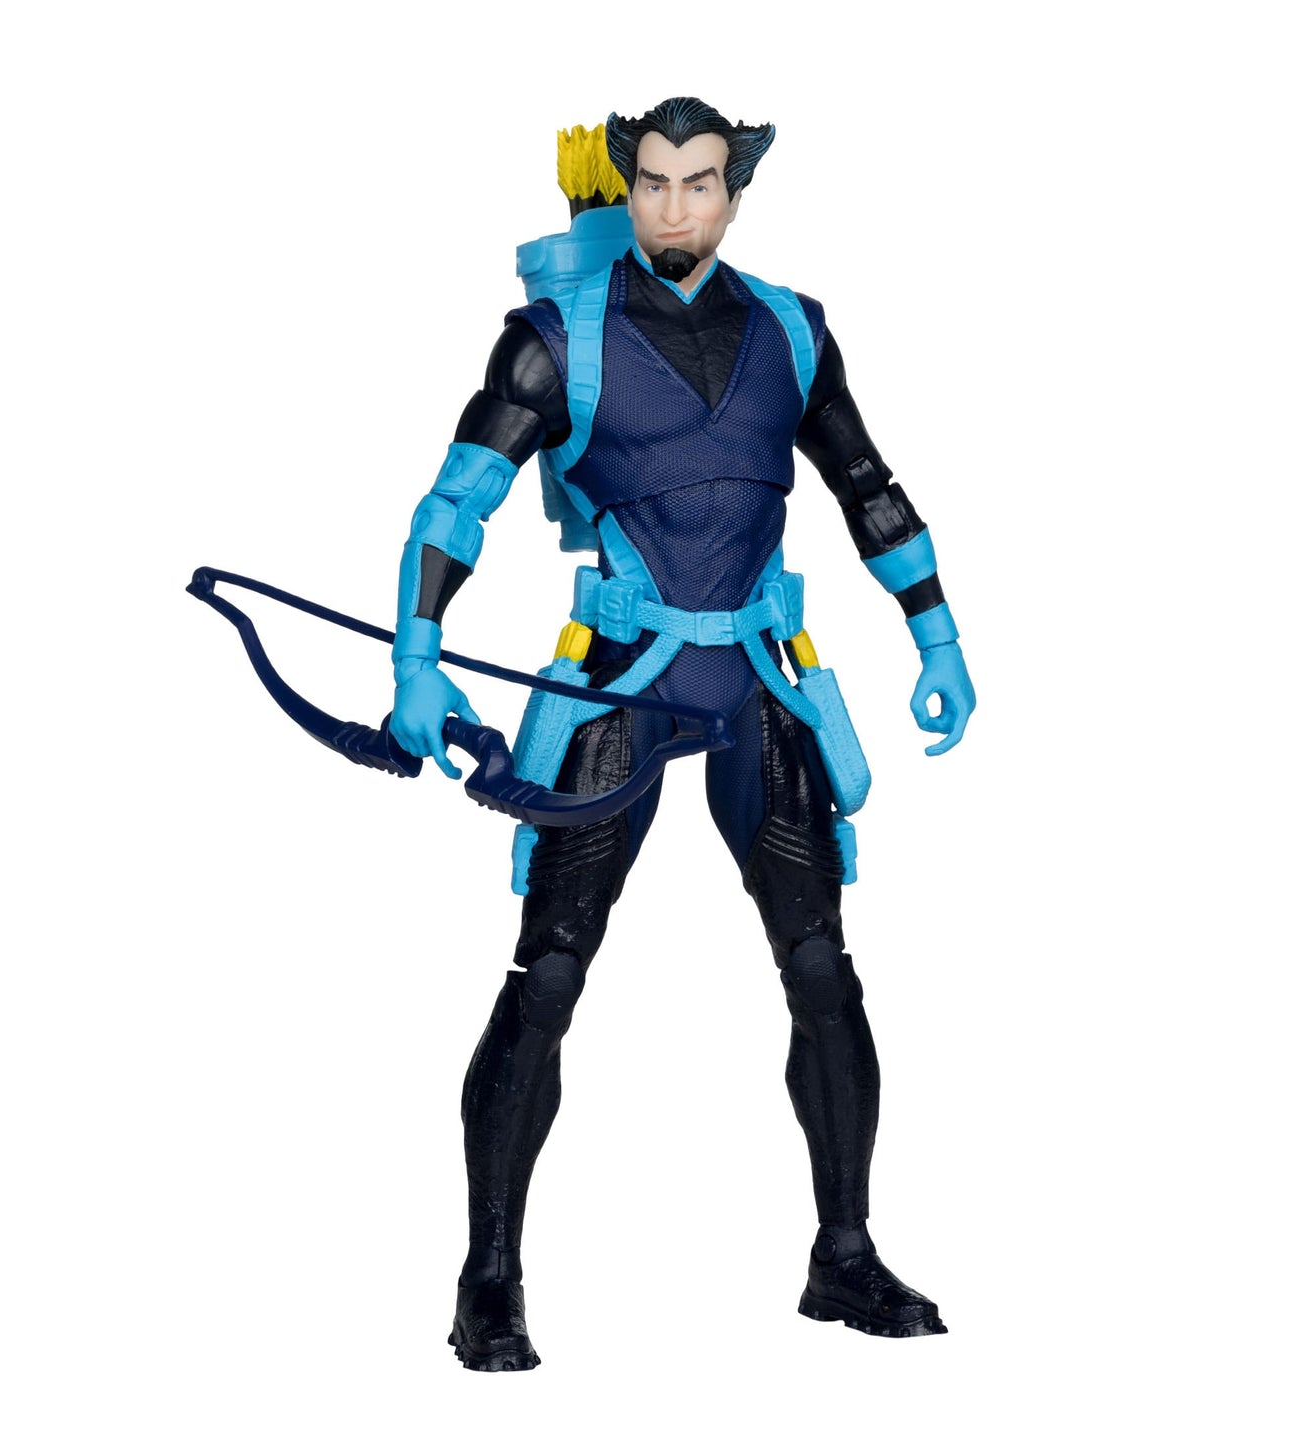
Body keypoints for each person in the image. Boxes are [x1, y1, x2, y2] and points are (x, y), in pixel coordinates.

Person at [388, 97, 976, 1371]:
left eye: (697, 184)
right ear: (628, 189)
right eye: (650, 183)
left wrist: (935, 633)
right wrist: (417, 658)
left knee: (821, 967)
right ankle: (488, 1274)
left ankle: (842, 1252)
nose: (672, 208)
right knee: (548, 975)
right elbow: (454, 503)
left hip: (756, 674)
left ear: (731, 193)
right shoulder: (557, 340)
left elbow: (865, 484)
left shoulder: (790, 330)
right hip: (621, 678)